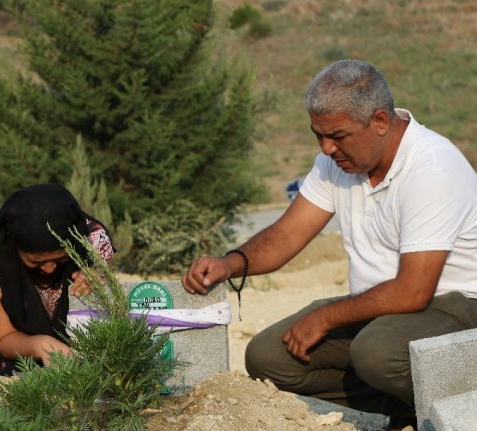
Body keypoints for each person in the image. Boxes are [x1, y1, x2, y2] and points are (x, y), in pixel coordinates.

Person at [182, 59, 477, 428]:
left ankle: (459, 406)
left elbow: (414, 291)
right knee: (269, 357)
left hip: (457, 308)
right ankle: (407, 406)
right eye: (317, 135)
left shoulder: (432, 167)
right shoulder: (337, 163)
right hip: (383, 313)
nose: (326, 149)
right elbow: (286, 234)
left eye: (337, 136)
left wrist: (326, 317)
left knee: (376, 352)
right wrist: (230, 263)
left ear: (380, 122)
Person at [0, 183, 114, 377]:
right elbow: (3, 338)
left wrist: (96, 276)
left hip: (76, 337)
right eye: (35, 262)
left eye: (60, 259)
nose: (49, 269)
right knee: (23, 377)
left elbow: (107, 308)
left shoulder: (91, 240)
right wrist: (41, 345)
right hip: (9, 344)